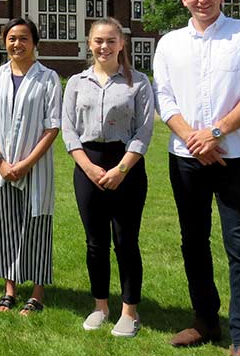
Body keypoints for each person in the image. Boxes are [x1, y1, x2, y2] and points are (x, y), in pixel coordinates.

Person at [154, 0, 240, 356]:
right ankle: (205, 321)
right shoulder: (169, 43)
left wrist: (215, 133)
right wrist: (193, 137)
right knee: (193, 242)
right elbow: (165, 98)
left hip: (235, 157)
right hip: (187, 158)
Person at [61, 17, 155, 337]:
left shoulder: (138, 82)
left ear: (121, 44)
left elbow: (144, 131)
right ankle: (100, 306)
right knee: (95, 243)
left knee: (126, 241)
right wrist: (87, 167)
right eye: (98, 41)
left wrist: (121, 170)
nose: (104, 46)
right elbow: (69, 129)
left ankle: (130, 311)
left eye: (110, 41)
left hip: (125, 166)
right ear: (89, 43)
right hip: (87, 165)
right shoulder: (76, 82)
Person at [0, 18, 61, 315]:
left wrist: (26, 164)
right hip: (1, 167)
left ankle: (37, 293)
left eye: (24, 38)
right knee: (4, 227)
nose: (17, 43)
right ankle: (9, 290)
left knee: (36, 225)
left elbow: (52, 126)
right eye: (12, 38)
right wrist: (0, 161)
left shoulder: (48, 78)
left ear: (34, 43)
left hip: (35, 168)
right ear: (5, 41)